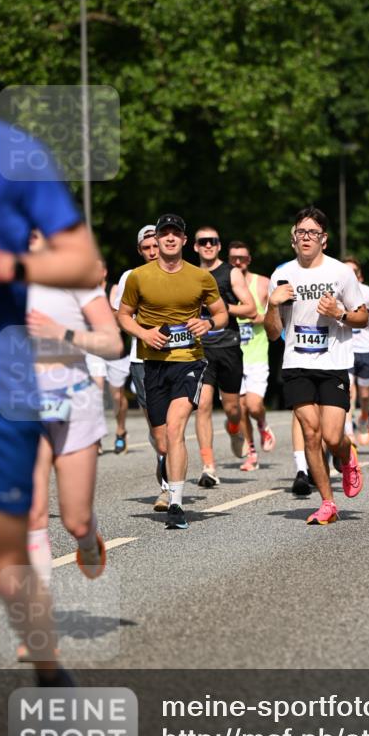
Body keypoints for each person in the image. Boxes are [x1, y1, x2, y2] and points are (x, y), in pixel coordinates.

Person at [0, 11, 102, 684]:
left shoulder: (12, 156)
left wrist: (5, 265)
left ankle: (46, 663)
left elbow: (84, 263)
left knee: (4, 561)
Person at [24, 231, 122, 629]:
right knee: (31, 514)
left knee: (75, 520)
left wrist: (60, 333)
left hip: (76, 401)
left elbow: (113, 344)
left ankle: (88, 539)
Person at [117, 214, 228, 528]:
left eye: (174, 234)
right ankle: (169, 481)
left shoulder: (200, 278)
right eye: (164, 233)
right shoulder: (138, 277)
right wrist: (143, 333)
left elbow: (220, 314)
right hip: (153, 364)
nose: (168, 238)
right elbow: (123, 316)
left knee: (177, 428)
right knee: (162, 439)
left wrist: (207, 323)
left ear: (183, 240)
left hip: (189, 361)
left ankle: (176, 504)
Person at [264, 206, 366, 525]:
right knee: (311, 432)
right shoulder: (281, 276)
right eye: (301, 232)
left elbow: (363, 317)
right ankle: (327, 502)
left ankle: (346, 456)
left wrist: (338, 312)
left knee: (332, 437)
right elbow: (272, 332)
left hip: (333, 362)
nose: (306, 238)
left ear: (325, 239)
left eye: (313, 233)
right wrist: (271, 304)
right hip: (296, 363)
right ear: (293, 238)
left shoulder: (340, 273)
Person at [112, 225, 172, 511]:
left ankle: (170, 487)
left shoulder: (179, 273)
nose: (152, 252)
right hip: (141, 359)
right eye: (146, 248)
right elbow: (117, 314)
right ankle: (165, 470)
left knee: (174, 423)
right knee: (156, 426)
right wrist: (141, 328)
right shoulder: (130, 277)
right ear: (140, 250)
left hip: (177, 357)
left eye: (155, 246)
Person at [193, 226, 256, 487]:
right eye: (202, 242)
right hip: (200, 348)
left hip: (228, 346)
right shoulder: (190, 274)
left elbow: (251, 308)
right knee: (203, 404)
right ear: (195, 246)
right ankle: (208, 466)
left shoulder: (230, 273)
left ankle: (234, 428)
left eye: (213, 241)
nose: (208, 245)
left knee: (232, 409)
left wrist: (222, 308)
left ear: (219, 246)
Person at [227, 240, 276, 472]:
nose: (238, 262)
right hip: (233, 355)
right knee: (240, 408)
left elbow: (273, 315)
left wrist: (256, 316)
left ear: (249, 260)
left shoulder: (263, 283)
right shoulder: (223, 282)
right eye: (234, 258)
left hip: (257, 355)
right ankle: (252, 453)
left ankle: (263, 424)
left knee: (254, 406)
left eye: (243, 258)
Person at [85, 259, 131, 455]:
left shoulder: (113, 290)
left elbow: (119, 316)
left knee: (117, 396)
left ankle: (120, 431)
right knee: (95, 393)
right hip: (93, 350)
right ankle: (95, 437)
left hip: (115, 352)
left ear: (104, 272)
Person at [343, 257, 369, 445]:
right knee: (348, 390)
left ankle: (365, 415)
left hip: (366, 349)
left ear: (360, 276)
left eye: (353, 272)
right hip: (344, 348)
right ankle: (348, 431)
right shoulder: (336, 292)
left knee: (365, 393)